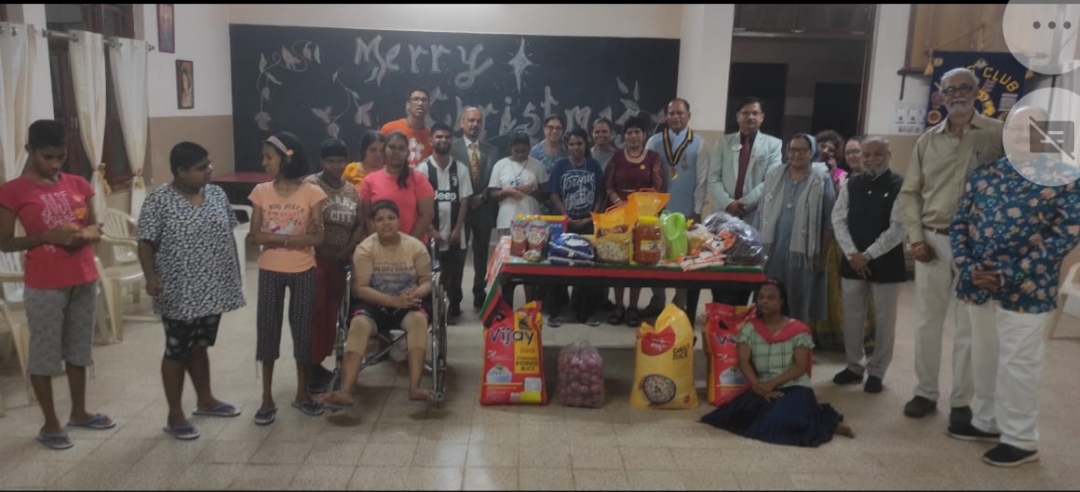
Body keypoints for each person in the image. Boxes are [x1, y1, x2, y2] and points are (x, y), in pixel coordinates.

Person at [947, 104, 1080, 467]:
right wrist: (970, 266)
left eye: (1032, 130)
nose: (1023, 137)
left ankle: (1021, 439)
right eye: (1016, 130)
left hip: (1027, 290)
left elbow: (1062, 238)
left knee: (1019, 363)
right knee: (985, 357)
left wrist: (1008, 275)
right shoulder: (986, 174)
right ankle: (988, 421)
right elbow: (959, 225)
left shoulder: (1066, 178)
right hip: (978, 284)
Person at [0, 119, 115, 450]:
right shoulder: (13, 191)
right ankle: (50, 423)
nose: (54, 164)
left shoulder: (79, 183)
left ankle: (79, 412)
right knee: (45, 354)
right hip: (45, 284)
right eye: (47, 157)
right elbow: (5, 242)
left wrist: (87, 233)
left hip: (83, 277)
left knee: (79, 350)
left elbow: (95, 227)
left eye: (60, 157)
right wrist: (48, 237)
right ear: (29, 151)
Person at [898, 67, 1004, 422]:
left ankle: (961, 401)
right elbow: (910, 193)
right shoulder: (927, 140)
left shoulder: (998, 135)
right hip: (933, 241)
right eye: (950, 90)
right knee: (928, 321)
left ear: (975, 92)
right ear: (941, 96)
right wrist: (915, 238)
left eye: (964, 88)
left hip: (978, 247)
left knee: (969, 324)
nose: (957, 94)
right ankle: (925, 392)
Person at [136, 141, 246, 440]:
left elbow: (228, 233)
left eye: (208, 164)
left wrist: (232, 277)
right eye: (202, 168)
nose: (209, 170)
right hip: (178, 289)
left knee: (200, 344)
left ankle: (206, 400)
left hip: (213, 287)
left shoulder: (216, 194)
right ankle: (175, 415)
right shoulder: (159, 200)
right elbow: (145, 241)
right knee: (177, 348)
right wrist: (151, 276)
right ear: (181, 172)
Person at [700, 279, 854, 446]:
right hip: (762, 386)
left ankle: (829, 424)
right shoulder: (749, 328)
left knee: (776, 422)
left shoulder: (798, 330)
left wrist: (771, 385)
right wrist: (759, 386)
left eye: (771, 298)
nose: (764, 301)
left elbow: (800, 367)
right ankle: (819, 417)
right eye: (761, 297)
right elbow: (744, 362)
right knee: (728, 417)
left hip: (794, 385)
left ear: (781, 301)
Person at [318, 200, 437, 407]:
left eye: (391, 218)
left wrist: (413, 295)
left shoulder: (415, 247)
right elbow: (360, 288)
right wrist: (393, 300)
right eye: (380, 219)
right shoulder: (365, 249)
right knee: (358, 325)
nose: (386, 223)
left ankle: (415, 387)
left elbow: (427, 281)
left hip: (409, 303)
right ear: (372, 224)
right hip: (374, 304)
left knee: (418, 321)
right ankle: (346, 390)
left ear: (399, 220)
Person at [247, 131, 328, 425]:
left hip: (303, 269)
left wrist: (276, 238)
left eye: (269, 157)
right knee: (267, 330)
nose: (264, 162)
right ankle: (266, 397)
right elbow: (255, 236)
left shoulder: (312, 193)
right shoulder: (260, 192)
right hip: (270, 270)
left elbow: (318, 237)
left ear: (286, 158)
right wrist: (296, 238)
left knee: (303, 332)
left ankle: (302, 392)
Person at [830, 136, 905, 394]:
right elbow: (838, 219)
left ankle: (876, 371)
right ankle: (854, 366)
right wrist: (853, 253)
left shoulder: (900, 185)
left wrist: (868, 255)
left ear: (888, 155)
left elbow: (898, 228)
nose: (871, 159)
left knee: (885, 320)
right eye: (867, 154)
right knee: (851, 317)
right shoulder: (852, 184)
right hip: (852, 259)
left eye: (877, 154)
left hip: (886, 262)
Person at [708, 96, 783, 308]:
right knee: (720, 267)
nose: (750, 117)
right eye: (746, 113)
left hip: (753, 216)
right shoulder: (724, 143)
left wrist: (744, 203)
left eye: (755, 113)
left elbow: (771, 178)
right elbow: (713, 178)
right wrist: (728, 203)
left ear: (762, 117)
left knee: (747, 270)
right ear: (737, 117)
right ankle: (719, 314)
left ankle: (744, 316)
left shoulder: (773, 145)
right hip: (724, 216)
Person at [753, 134, 834, 325]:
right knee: (769, 298)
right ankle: (765, 339)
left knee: (798, 300)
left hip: (803, 255)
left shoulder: (821, 179)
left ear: (811, 153)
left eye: (802, 150)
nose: (796, 154)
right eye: (792, 150)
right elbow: (761, 214)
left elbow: (829, 221)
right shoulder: (774, 176)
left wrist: (822, 257)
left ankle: (795, 341)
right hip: (773, 252)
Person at [304, 138, 362, 394]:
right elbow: (305, 222)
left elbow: (359, 223)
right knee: (314, 317)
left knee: (333, 316)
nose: (335, 166)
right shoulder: (311, 185)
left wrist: (345, 252)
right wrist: (324, 251)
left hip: (341, 262)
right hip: (314, 261)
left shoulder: (351, 190)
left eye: (340, 160)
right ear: (321, 162)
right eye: (330, 160)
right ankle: (310, 367)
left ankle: (320, 364)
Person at [643, 98, 711, 314]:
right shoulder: (654, 141)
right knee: (656, 255)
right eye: (671, 113)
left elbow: (702, 181)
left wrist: (698, 210)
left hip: (685, 211)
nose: (675, 117)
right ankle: (657, 299)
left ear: (688, 116)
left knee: (682, 257)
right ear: (665, 116)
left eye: (680, 113)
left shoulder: (700, 144)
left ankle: (679, 301)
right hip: (656, 211)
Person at [604, 115, 664, 328]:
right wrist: (618, 202)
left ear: (644, 135)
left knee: (637, 262)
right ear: (624, 136)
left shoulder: (653, 158)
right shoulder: (617, 157)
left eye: (637, 132)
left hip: (643, 217)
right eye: (629, 132)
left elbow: (657, 186)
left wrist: (640, 205)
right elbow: (609, 185)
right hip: (619, 215)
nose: (633, 136)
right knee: (619, 261)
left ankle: (632, 307)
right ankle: (618, 305)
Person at [546, 128, 606, 327]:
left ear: (586, 144)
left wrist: (592, 216)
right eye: (571, 144)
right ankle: (555, 311)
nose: (575, 148)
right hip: (565, 224)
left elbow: (600, 193)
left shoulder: (594, 166)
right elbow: (553, 193)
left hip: (588, 224)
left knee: (586, 267)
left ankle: (585, 311)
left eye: (579, 143)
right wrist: (566, 216)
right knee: (559, 266)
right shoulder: (560, 166)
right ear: (567, 146)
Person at [416, 123, 473, 323]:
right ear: (431, 140)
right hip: (431, 234)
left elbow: (465, 199)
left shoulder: (461, 168)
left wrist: (458, 228)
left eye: (447, 137)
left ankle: (453, 306)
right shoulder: (422, 169)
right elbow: (418, 204)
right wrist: (431, 230)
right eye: (439, 137)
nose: (443, 140)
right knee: (433, 272)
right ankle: (433, 309)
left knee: (454, 274)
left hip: (457, 233)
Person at [450, 107, 501, 309]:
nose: (474, 125)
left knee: (481, 256)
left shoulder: (492, 151)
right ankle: (454, 297)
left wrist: (483, 196)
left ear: (483, 125)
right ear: (462, 123)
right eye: (470, 121)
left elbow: (495, 180)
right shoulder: (451, 148)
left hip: (484, 208)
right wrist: (466, 198)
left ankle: (480, 292)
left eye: (478, 121)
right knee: (458, 255)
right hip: (458, 212)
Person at [809, 129, 849, 353]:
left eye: (830, 149)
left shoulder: (840, 174)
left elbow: (838, 205)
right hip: (808, 235)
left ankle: (829, 335)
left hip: (830, 238)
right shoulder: (806, 170)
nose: (825, 151)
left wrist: (832, 173)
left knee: (827, 285)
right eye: (822, 145)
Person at [359, 131, 436, 240]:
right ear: (384, 151)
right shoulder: (370, 181)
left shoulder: (419, 179)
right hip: (380, 248)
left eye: (401, 148)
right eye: (392, 147)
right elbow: (366, 216)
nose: (396, 151)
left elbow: (426, 215)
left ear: (407, 153)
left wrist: (408, 245)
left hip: (413, 248)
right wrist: (378, 243)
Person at [489, 131, 549, 236]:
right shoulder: (500, 165)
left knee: (532, 252)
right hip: (507, 221)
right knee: (507, 251)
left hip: (532, 221)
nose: (520, 154)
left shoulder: (538, 165)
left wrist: (532, 191)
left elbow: (546, 195)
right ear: (510, 148)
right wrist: (505, 193)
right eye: (516, 151)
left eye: (524, 151)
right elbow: (492, 193)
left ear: (529, 148)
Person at [380, 87, 432, 168]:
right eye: (415, 99)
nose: (420, 103)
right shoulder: (389, 129)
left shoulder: (431, 136)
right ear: (408, 104)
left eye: (424, 100)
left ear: (428, 105)